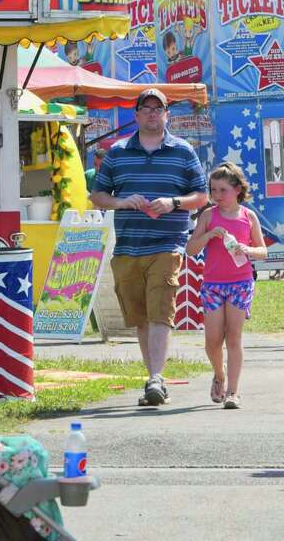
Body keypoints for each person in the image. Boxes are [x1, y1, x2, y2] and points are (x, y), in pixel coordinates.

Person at [90, 88, 209, 407]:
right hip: (128, 246)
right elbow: (97, 196)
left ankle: (156, 377)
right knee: (141, 317)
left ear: (167, 114)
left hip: (168, 244)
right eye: (147, 108)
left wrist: (173, 202)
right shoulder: (117, 152)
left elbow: (201, 196)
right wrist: (121, 202)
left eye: (159, 108)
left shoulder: (183, 151)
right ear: (137, 115)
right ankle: (153, 377)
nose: (153, 113)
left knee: (160, 310)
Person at [186, 163, 268, 410]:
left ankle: (233, 391)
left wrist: (248, 249)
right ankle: (219, 375)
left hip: (240, 283)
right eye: (213, 190)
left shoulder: (248, 216)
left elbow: (263, 251)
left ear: (237, 190)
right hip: (213, 285)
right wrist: (208, 235)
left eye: (223, 190)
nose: (217, 195)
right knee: (212, 340)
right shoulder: (208, 216)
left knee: (233, 336)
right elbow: (190, 250)